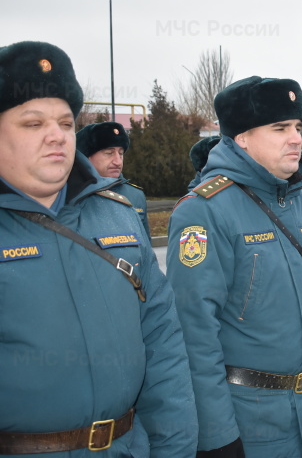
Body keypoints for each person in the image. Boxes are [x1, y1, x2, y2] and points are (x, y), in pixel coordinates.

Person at [0, 40, 197, 456]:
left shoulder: (118, 215)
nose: (56, 136)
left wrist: (175, 448)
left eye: (66, 123)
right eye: (33, 124)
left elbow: (162, 344)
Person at [167, 77, 302, 456]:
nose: (296, 138)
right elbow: (196, 333)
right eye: (280, 128)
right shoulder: (206, 210)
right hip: (249, 418)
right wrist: (215, 433)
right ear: (242, 137)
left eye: (298, 127)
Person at [76, 121, 151, 237]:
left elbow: (146, 249)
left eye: (121, 154)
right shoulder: (72, 195)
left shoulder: (135, 195)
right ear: (86, 157)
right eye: (109, 153)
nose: (118, 161)